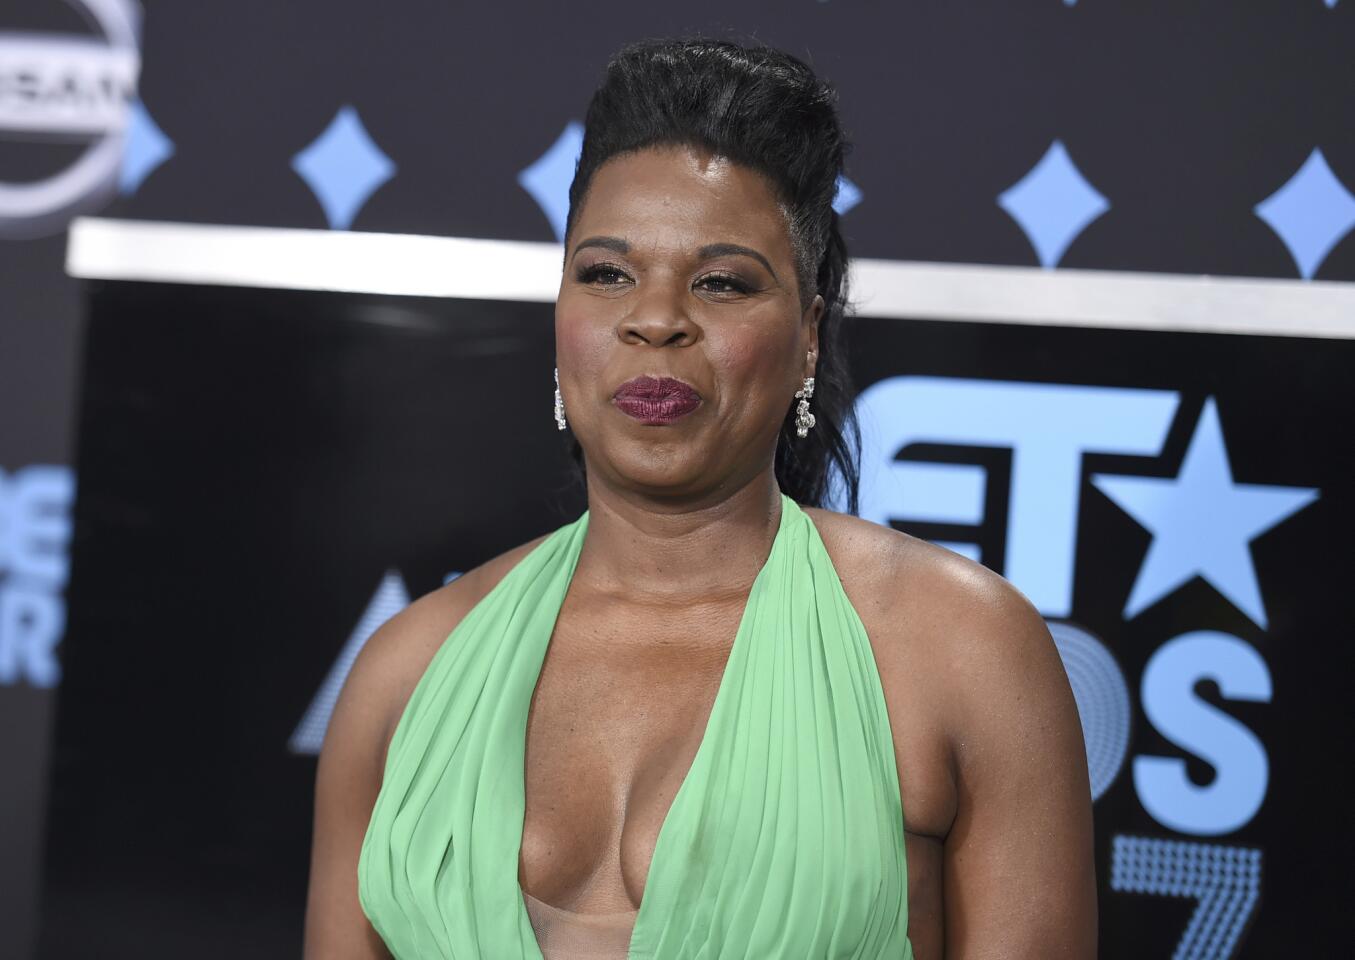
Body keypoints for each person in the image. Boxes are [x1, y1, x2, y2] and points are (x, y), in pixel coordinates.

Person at [303, 37, 1096, 960]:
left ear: (806, 340)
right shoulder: (407, 672)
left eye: (720, 282)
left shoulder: (961, 650)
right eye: (605, 274)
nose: (656, 318)